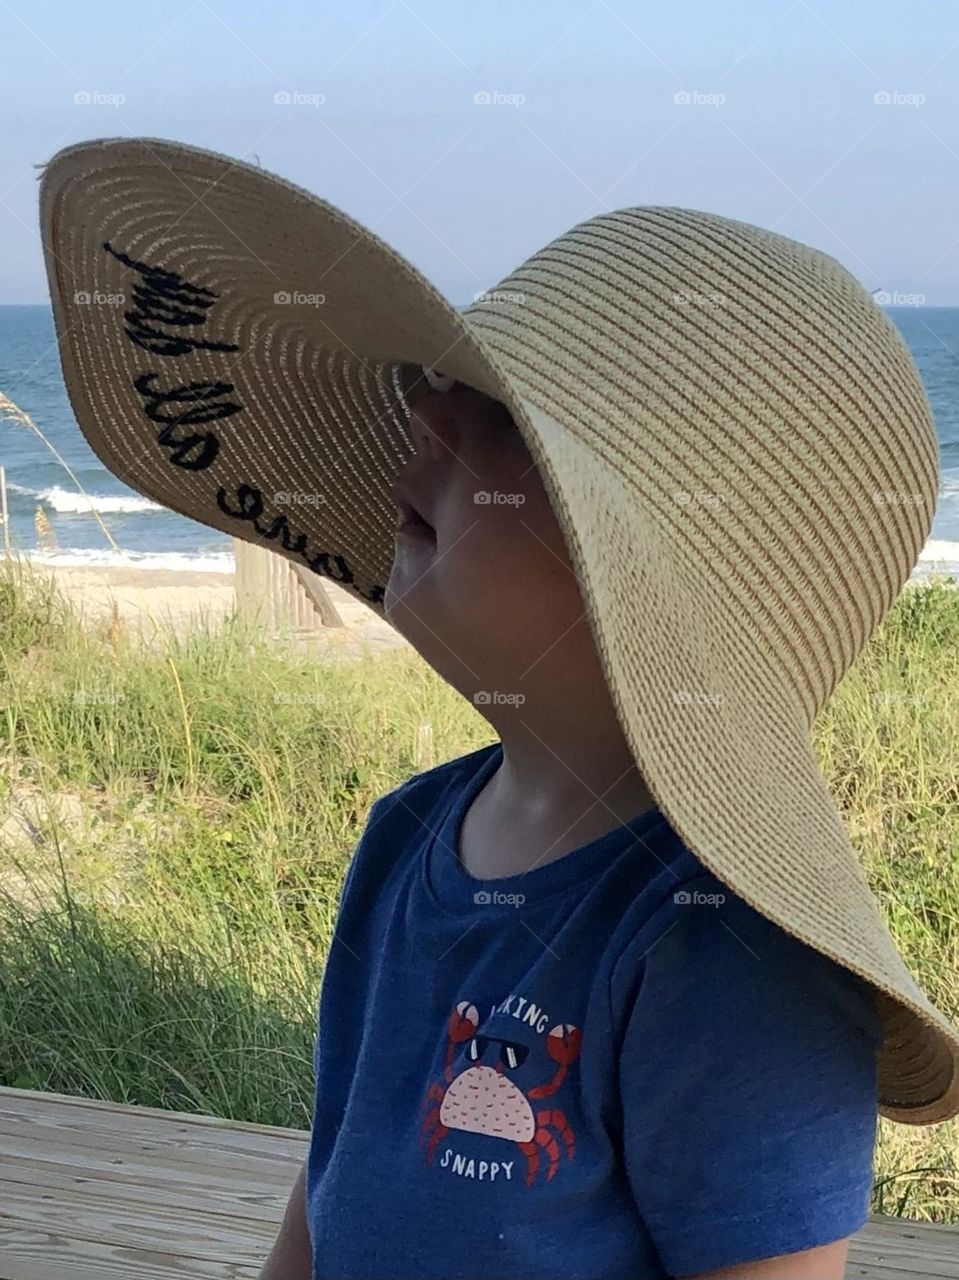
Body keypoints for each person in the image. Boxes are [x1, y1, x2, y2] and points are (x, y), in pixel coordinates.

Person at [39, 138, 959, 1280]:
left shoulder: (723, 946)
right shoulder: (406, 837)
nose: (424, 412)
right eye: (446, 381)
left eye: (497, 412)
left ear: (637, 577)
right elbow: (332, 1179)